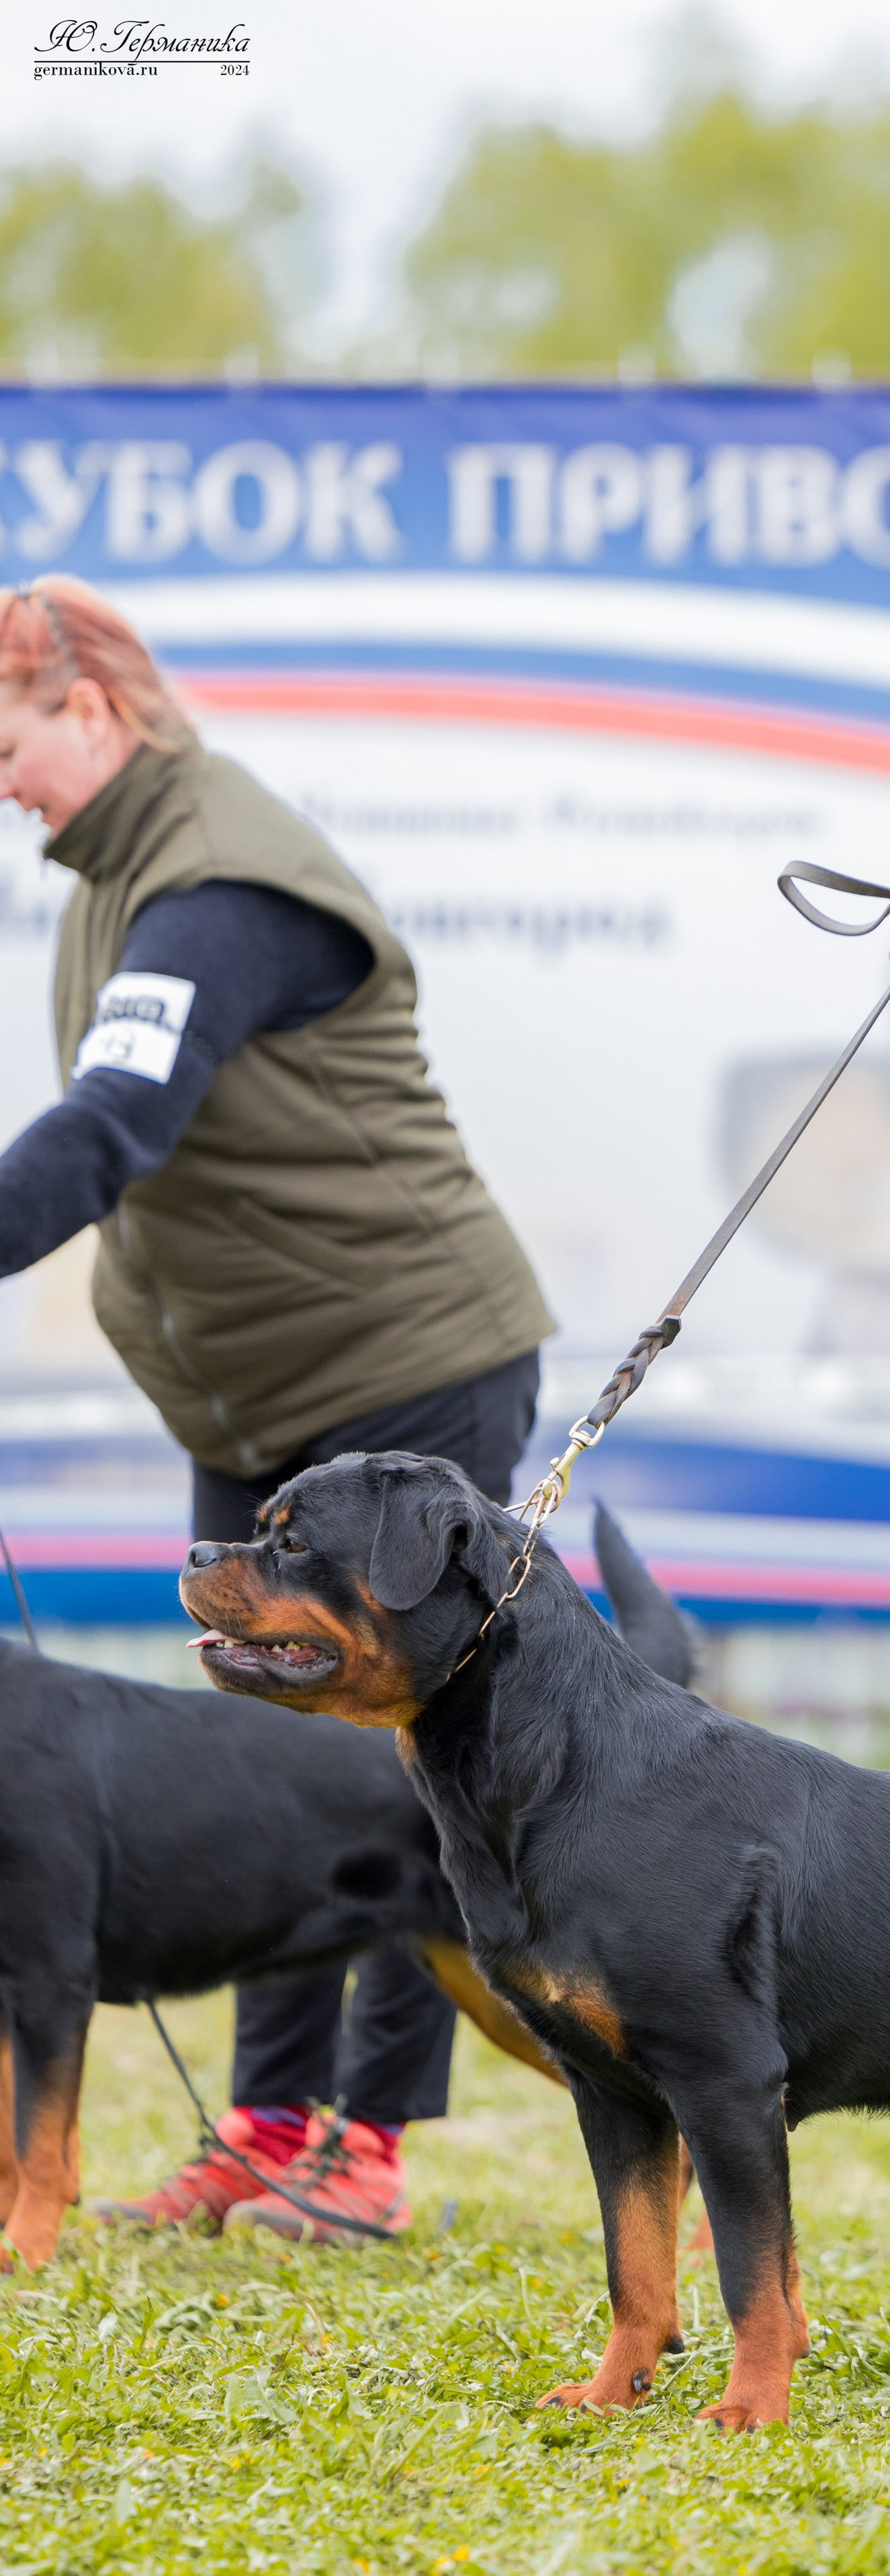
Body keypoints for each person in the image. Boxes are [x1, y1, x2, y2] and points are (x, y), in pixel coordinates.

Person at [0, 577, 553, 2243]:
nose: (4, 782)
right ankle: (261, 2123)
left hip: (400, 1375)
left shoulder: (219, 879)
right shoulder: (119, 869)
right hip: (257, 1396)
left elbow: (109, 1126)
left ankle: (366, 2148)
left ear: (88, 707)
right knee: (264, 1748)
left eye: (9, 741)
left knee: (406, 1766)